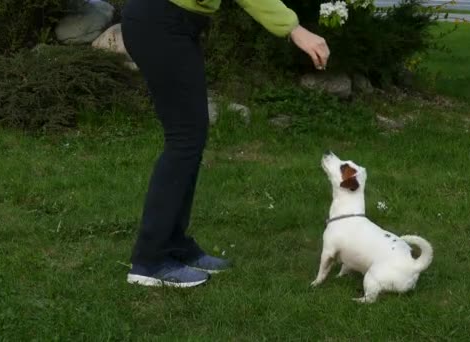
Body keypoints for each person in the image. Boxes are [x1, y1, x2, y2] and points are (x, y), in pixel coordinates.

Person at [121, 0, 330, 288]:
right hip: (160, 19)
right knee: (184, 139)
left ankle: (174, 244)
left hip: (172, 23)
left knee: (190, 137)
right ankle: (149, 260)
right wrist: (293, 28)